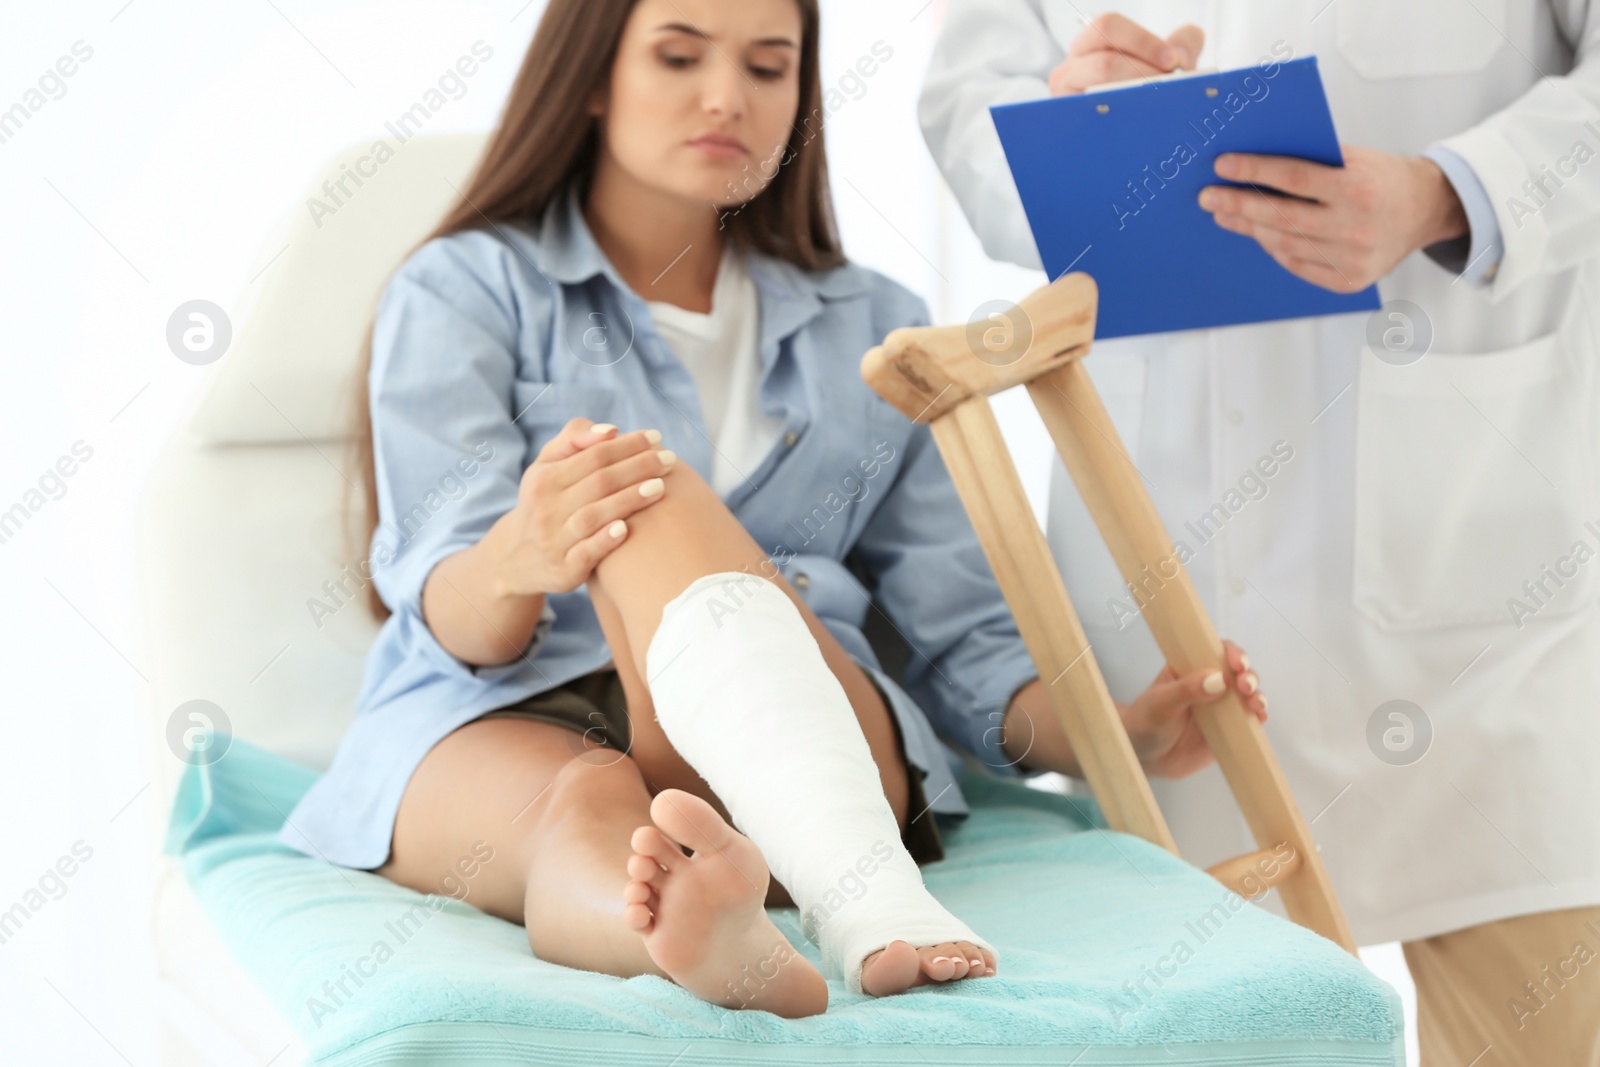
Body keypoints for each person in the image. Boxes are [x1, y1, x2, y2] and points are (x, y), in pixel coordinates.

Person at [275, 0, 1266, 1019]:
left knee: (639, 486)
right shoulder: (463, 288)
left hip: (798, 736)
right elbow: (456, 623)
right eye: (677, 56)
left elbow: (967, 644)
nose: (725, 99)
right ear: (588, 77)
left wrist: (1117, 733)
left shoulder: (876, 325)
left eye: (767, 66)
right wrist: (516, 557)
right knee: (586, 804)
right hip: (500, 708)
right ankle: (685, 935)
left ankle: (865, 892)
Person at [920, 3, 1600, 1062]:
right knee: (1214, 1020)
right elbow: (968, 101)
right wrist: (1069, 128)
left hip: (1476, 583)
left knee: (1539, 1025)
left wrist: (1446, 191)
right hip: (1177, 572)